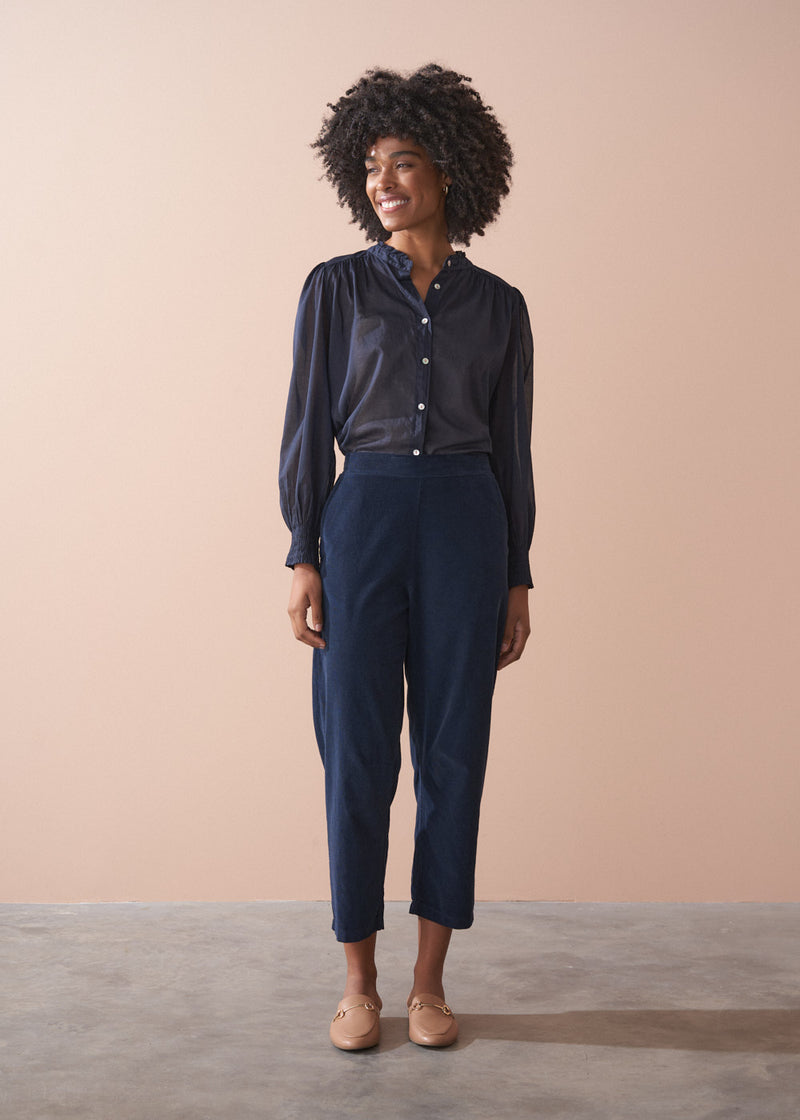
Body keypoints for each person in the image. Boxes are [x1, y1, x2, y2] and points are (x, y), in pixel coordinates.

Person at [279, 64, 534, 1051]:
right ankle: (358, 983)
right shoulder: (335, 289)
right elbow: (306, 427)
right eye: (373, 166)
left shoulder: (499, 305)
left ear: (450, 170)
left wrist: (517, 572)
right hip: (363, 515)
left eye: (406, 161)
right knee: (352, 751)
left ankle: (429, 982)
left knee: (451, 753)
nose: (386, 180)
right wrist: (303, 551)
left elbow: (510, 445)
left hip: (468, 520)